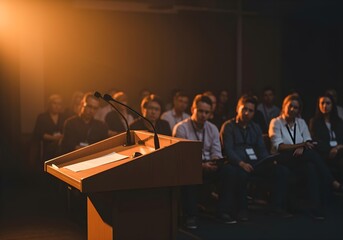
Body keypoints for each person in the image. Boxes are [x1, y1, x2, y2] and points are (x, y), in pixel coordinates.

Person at [269, 94, 343, 220]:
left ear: (299, 110)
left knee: (311, 167)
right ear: (284, 106)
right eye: (290, 106)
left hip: (299, 158)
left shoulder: (301, 122)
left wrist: (302, 147)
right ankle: (332, 182)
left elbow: (309, 142)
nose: (293, 109)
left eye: (296, 108)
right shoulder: (276, 122)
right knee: (310, 156)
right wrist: (301, 145)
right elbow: (280, 147)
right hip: (282, 158)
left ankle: (314, 207)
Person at [220, 94, 291, 222]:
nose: (247, 113)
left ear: (254, 112)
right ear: (238, 108)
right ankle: (242, 210)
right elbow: (228, 150)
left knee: (281, 171)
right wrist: (241, 163)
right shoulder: (228, 126)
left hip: (255, 163)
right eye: (244, 109)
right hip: (237, 163)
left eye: (250, 110)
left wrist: (268, 161)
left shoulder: (256, 127)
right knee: (239, 172)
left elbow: (261, 150)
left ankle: (276, 208)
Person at [173, 94, 236, 229]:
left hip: (210, 164)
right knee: (189, 172)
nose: (203, 115)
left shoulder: (212, 128)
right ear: (193, 109)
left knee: (229, 171)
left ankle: (222, 211)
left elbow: (216, 152)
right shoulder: (181, 128)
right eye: (200, 111)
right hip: (190, 166)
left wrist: (215, 162)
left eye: (207, 112)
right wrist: (201, 165)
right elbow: (183, 157)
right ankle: (191, 215)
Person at [309, 93, 343, 183]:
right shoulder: (314, 122)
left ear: (332, 105)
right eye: (322, 103)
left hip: (339, 150)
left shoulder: (339, 122)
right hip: (324, 153)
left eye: (328, 103)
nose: (325, 106)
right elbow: (316, 141)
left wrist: (337, 148)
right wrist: (330, 149)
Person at [33, 94, 66, 161]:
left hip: (60, 148)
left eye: (59, 104)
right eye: (54, 103)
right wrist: (54, 138)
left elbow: (67, 131)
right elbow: (39, 133)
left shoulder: (64, 117)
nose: (57, 106)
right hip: (46, 148)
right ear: (50, 104)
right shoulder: (42, 117)